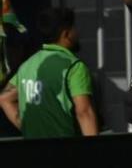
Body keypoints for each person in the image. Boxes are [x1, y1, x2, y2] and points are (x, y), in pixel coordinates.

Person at [0, 8, 98, 138]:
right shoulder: (74, 67)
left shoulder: (27, 65)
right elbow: (84, 112)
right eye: (74, 27)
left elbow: (4, 98)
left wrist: (26, 127)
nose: (77, 32)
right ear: (66, 33)